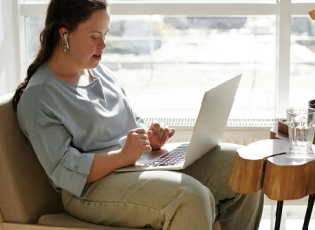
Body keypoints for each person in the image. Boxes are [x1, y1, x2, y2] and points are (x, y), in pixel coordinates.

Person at [12, 0, 264, 229]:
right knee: (190, 197)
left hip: (134, 167)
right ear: (64, 35)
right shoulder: (39, 97)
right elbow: (64, 171)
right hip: (88, 190)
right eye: (94, 36)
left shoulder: (99, 71)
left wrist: (148, 139)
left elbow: (130, 124)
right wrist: (123, 156)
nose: (104, 45)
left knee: (244, 166)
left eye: (106, 34)